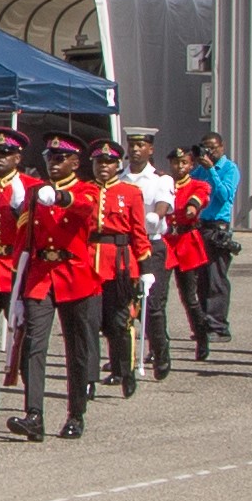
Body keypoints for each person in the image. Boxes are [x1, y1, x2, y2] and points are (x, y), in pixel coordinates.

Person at [6, 134, 103, 441]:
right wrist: (18, 287)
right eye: (50, 158)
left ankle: (76, 413)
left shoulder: (86, 189)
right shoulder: (35, 192)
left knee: (77, 348)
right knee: (34, 346)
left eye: (61, 159)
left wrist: (62, 198)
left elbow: (87, 209)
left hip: (73, 273)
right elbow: (25, 239)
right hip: (40, 274)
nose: (54, 163)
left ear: (76, 162)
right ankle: (34, 414)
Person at [86, 140, 151, 396]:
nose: (104, 167)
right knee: (89, 323)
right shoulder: (85, 190)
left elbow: (138, 231)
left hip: (120, 265)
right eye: (99, 162)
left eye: (109, 162)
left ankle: (125, 370)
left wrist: (145, 268)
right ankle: (88, 378)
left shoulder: (130, 192)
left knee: (119, 323)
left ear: (117, 165)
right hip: (90, 264)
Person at [117, 131, 178, 380]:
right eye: (132, 145)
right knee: (122, 305)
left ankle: (160, 352)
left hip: (151, 246)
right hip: (125, 247)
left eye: (141, 145)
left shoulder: (160, 180)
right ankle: (122, 361)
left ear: (150, 149)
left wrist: (155, 216)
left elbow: (162, 206)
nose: (136, 149)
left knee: (152, 306)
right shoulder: (119, 177)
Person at [185, 134, 243, 353]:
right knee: (201, 278)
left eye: (213, 148)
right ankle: (205, 323)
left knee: (216, 278)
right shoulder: (199, 169)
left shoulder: (229, 168)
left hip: (218, 226)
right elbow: (190, 185)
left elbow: (224, 195)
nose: (209, 153)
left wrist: (211, 170)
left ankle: (219, 326)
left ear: (222, 146)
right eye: (205, 148)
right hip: (199, 225)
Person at [160, 146, 215, 367]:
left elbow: (199, 198)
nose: (179, 167)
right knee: (157, 298)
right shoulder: (163, 184)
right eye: (175, 163)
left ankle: (201, 337)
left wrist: (193, 208)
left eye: (184, 163)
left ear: (191, 165)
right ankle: (159, 344)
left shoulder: (198, 184)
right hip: (165, 243)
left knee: (189, 297)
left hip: (185, 243)